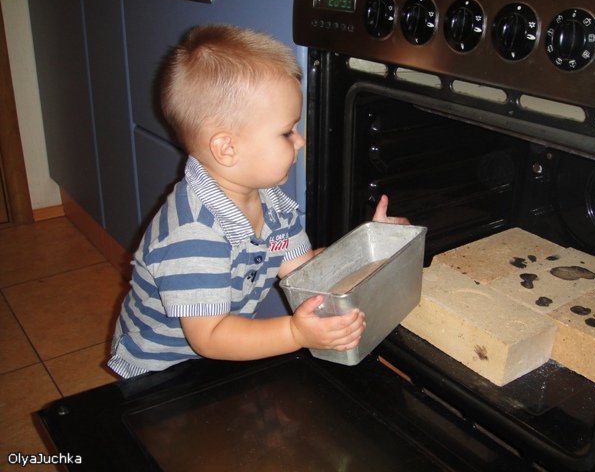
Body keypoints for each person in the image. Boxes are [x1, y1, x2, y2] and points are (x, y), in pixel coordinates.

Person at [108, 24, 408, 379]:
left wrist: (372, 246)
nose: (300, 142)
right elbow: (211, 336)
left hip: (214, 354)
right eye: (287, 132)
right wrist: (295, 333)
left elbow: (305, 272)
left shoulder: (273, 205)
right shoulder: (193, 234)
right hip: (159, 367)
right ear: (226, 148)